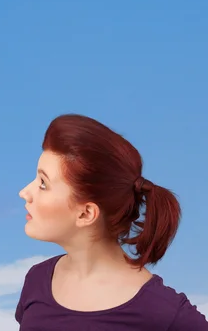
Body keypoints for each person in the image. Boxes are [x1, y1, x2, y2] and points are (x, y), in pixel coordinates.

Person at [16, 114, 208, 330]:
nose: (24, 192)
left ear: (86, 214)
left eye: (43, 183)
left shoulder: (162, 311)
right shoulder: (36, 280)